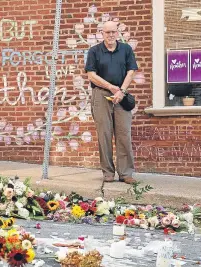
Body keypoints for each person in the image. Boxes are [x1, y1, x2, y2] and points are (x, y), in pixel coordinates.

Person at [84, 21, 138, 184]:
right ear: (102, 33)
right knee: (104, 135)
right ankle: (108, 172)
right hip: (101, 95)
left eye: (113, 31)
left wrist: (120, 91)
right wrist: (111, 87)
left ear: (117, 33)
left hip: (121, 95)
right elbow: (91, 75)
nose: (111, 35)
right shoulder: (94, 51)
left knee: (124, 134)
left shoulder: (126, 49)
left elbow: (131, 71)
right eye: (107, 32)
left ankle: (126, 173)